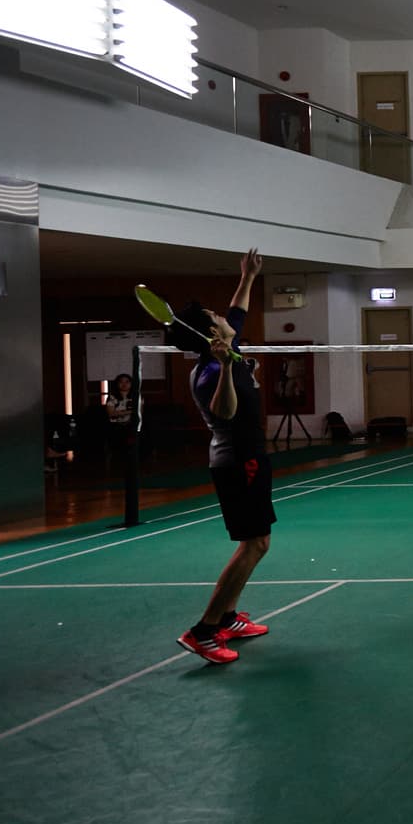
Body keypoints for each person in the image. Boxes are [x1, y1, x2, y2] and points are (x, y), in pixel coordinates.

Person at [165, 249, 274, 666]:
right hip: (237, 460)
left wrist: (246, 277)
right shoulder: (211, 369)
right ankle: (204, 630)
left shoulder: (226, 344)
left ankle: (228, 617)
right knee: (256, 544)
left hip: (248, 457)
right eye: (215, 316)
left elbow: (237, 310)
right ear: (212, 335)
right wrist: (230, 369)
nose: (225, 315)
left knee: (256, 543)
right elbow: (224, 412)